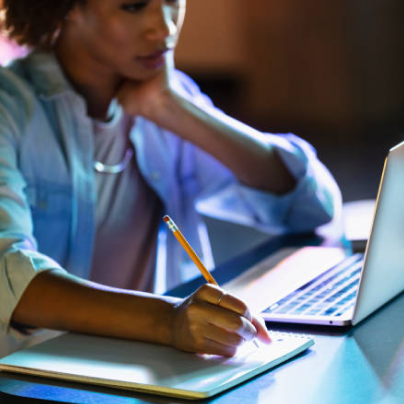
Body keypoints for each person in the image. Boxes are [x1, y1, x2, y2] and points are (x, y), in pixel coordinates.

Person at [0, 0, 342, 357]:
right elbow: (5, 273)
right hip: (38, 382)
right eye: (133, 7)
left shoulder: (169, 94)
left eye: (173, 1)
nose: (164, 29)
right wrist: (167, 320)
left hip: (162, 373)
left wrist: (170, 106)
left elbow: (312, 207)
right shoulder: (9, 107)